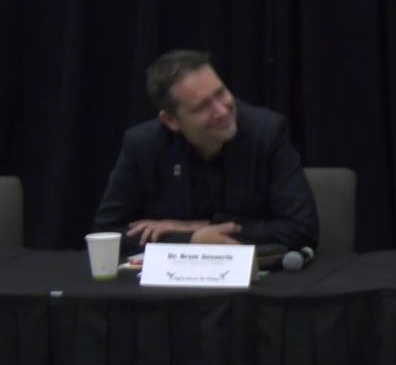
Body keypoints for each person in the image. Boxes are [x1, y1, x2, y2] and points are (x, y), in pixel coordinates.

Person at [93, 50, 319, 256]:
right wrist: (188, 239)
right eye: (202, 107)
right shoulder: (142, 145)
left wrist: (201, 226)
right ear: (171, 121)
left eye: (220, 94)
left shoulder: (267, 132)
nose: (221, 111)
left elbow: (302, 229)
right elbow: (105, 233)